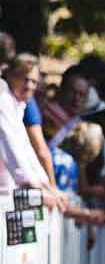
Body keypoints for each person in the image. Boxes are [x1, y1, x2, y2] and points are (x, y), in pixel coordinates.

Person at [0, 55, 67, 210]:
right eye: (25, 79)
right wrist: (34, 186)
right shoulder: (3, 100)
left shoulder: (19, 105)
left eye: (34, 82)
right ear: (11, 76)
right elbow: (12, 147)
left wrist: (47, 185)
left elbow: (25, 148)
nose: (30, 86)